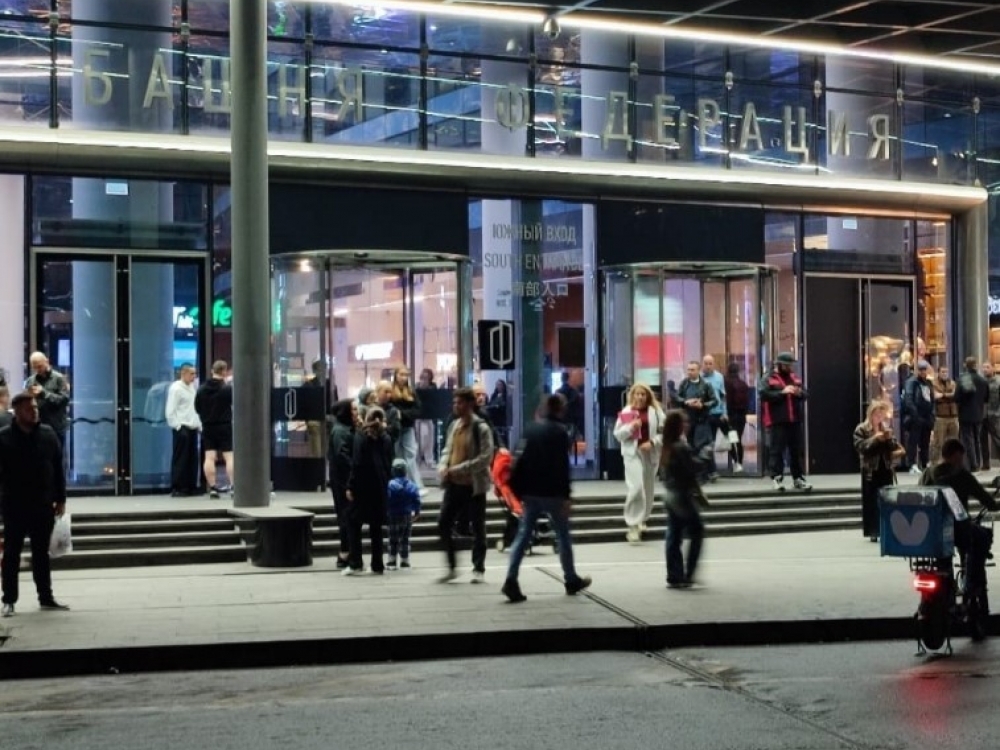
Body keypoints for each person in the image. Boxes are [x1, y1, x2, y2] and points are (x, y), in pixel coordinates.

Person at [501, 393, 592, 603]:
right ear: (560, 409)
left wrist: (518, 489)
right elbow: (562, 466)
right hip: (553, 493)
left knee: (523, 535)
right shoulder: (561, 432)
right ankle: (570, 578)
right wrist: (566, 495)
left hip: (531, 491)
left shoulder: (531, 429)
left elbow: (518, 458)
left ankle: (511, 579)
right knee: (563, 535)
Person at [0, 391, 70, 617]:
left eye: (35, 408)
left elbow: (58, 467)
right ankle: (9, 599)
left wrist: (61, 498)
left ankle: (46, 597)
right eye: (29, 409)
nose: (34, 412)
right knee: (12, 553)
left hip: (43, 503)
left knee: (41, 553)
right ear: (17, 412)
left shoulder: (48, 434)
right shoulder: (4, 437)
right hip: (14, 504)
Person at [920, 438, 1000, 601]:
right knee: (982, 536)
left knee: (943, 556)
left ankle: (947, 584)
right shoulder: (962, 475)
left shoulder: (928, 473)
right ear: (956, 456)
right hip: (958, 529)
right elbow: (985, 499)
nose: (962, 461)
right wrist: (994, 505)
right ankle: (971, 583)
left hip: (930, 530)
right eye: (961, 457)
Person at [437, 387, 494, 583]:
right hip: (454, 484)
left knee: (478, 526)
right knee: (443, 522)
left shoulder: (481, 428)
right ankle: (452, 566)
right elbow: (448, 449)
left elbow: (485, 458)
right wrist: (443, 465)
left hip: (473, 486)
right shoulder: (454, 425)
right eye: (455, 402)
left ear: (470, 404)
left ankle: (478, 568)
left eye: (460, 402)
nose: (456, 406)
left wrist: (458, 469)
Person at [660, 410, 712, 589]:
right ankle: (688, 573)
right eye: (684, 422)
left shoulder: (667, 446)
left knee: (674, 535)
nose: (687, 425)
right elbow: (692, 467)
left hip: (670, 494)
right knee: (696, 530)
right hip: (681, 495)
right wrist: (705, 455)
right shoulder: (680, 447)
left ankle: (674, 575)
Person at [343, 406, 393, 576]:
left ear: (366, 418)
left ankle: (356, 562)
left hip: (363, 486)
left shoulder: (361, 436)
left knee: (352, 521)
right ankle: (377, 564)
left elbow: (357, 463)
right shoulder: (386, 438)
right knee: (376, 526)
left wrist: (350, 485)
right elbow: (389, 463)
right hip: (380, 486)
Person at [613, 383, 665, 544]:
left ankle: (642, 519)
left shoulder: (656, 412)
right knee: (636, 487)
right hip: (632, 453)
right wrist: (631, 427)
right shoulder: (626, 412)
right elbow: (618, 435)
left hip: (649, 454)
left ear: (648, 396)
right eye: (638, 394)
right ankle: (633, 525)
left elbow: (665, 433)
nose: (640, 397)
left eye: (643, 394)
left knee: (648, 488)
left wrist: (653, 442)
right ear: (633, 395)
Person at [758, 352, 811, 492]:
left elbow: (805, 394)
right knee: (776, 450)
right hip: (777, 420)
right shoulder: (769, 378)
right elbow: (763, 394)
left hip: (794, 420)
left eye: (791, 365)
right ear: (780, 364)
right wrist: (782, 392)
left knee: (796, 450)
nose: (790, 367)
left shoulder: (794, 377)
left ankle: (798, 478)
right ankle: (776, 478)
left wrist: (798, 393)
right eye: (787, 365)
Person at [853, 399, 904, 542]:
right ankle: (873, 530)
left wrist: (888, 439)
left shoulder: (885, 428)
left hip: (885, 467)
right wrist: (875, 439)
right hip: (871, 469)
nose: (879, 418)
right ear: (871, 414)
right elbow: (861, 447)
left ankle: (887, 529)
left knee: (887, 499)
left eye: (881, 415)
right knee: (871, 501)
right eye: (877, 415)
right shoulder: (862, 429)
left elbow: (894, 447)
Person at [195, 360, 234, 498]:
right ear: (224, 371)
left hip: (208, 426)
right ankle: (233, 486)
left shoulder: (201, 389)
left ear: (212, 371)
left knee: (209, 457)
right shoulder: (227, 389)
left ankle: (212, 487)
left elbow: (197, 408)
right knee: (229, 456)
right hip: (224, 425)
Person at [328, 398, 359, 570]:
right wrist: (355, 469)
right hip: (343, 480)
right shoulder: (341, 431)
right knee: (346, 515)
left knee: (348, 515)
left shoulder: (346, 429)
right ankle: (346, 551)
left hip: (344, 479)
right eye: (353, 409)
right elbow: (342, 456)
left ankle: (347, 551)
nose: (356, 413)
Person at [670, 361, 717, 466]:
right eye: (688, 370)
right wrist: (685, 402)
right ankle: (694, 468)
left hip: (702, 420)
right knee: (690, 446)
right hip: (688, 420)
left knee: (701, 445)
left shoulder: (706, 384)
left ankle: (707, 469)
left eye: (692, 370)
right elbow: (677, 398)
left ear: (698, 371)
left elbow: (714, 401)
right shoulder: (684, 383)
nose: (690, 372)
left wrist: (702, 405)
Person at [165, 363, 202, 497]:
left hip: (192, 427)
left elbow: (194, 409)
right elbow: (170, 410)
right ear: (183, 373)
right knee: (181, 458)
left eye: (195, 374)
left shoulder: (192, 388)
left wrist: (199, 425)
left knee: (192, 459)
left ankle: (191, 486)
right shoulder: (176, 389)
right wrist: (177, 426)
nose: (194, 376)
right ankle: (178, 487)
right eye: (191, 374)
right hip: (182, 427)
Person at [389, 365, 425, 494]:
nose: (404, 378)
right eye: (401, 375)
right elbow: (389, 409)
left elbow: (418, 410)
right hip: (394, 429)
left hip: (407, 427)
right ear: (396, 376)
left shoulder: (411, 391)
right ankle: (398, 485)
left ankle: (416, 486)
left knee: (410, 456)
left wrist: (402, 414)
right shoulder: (390, 391)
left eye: (406, 375)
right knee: (397, 457)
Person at [25, 351, 70, 450]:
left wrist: (44, 393)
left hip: (56, 427)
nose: (38, 370)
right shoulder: (30, 381)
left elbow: (63, 400)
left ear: (47, 361)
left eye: (40, 366)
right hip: (37, 427)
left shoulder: (59, 378)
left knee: (56, 456)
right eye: (34, 368)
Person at [386, 458, 421, 571]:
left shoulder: (389, 485)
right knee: (405, 539)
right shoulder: (412, 485)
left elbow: (386, 499)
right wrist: (417, 511)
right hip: (407, 515)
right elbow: (417, 499)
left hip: (392, 515)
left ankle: (392, 560)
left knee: (393, 538)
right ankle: (405, 561)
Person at [901, 360, 935, 474]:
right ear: (916, 370)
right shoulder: (911, 382)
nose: (923, 372)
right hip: (916, 416)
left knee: (925, 441)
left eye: (924, 369)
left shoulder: (928, 383)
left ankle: (925, 462)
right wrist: (915, 415)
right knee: (913, 441)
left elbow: (932, 399)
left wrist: (932, 414)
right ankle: (912, 464)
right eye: (921, 370)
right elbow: (909, 399)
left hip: (926, 416)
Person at [955, 356, 988, 471]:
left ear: (965, 365)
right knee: (977, 439)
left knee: (967, 439)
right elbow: (986, 398)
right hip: (979, 413)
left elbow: (956, 397)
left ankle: (972, 464)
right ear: (976, 365)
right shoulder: (983, 380)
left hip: (965, 414)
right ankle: (978, 462)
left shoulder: (962, 379)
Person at [701, 355, 727, 482]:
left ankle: (710, 471)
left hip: (717, 413)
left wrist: (724, 412)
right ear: (702, 364)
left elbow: (722, 396)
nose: (708, 366)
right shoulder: (699, 378)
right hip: (704, 414)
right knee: (707, 442)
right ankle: (711, 471)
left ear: (714, 364)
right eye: (706, 363)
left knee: (713, 442)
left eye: (710, 363)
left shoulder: (719, 377)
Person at [724, 362, 751, 474]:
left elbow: (728, 401)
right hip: (741, 416)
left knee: (731, 439)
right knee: (738, 439)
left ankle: (736, 462)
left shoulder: (727, 383)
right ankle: (739, 462)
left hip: (731, 415)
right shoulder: (743, 384)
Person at [931, 365, 959, 464]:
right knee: (938, 442)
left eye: (946, 372)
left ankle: (953, 462)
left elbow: (955, 395)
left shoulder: (952, 383)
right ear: (938, 373)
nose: (945, 374)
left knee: (954, 442)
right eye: (942, 372)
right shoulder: (934, 383)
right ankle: (936, 463)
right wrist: (948, 395)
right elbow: (935, 396)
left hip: (953, 416)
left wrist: (943, 395)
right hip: (940, 417)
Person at [415, 368, 437, 468]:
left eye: (426, 377)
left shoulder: (433, 387)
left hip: (429, 416)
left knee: (429, 439)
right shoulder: (416, 386)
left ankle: (429, 459)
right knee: (418, 439)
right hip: (419, 416)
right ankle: (418, 459)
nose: (424, 379)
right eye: (423, 376)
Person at [374, 380, 402, 447]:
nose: (389, 395)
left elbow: (396, 432)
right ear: (377, 392)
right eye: (386, 392)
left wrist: (385, 428)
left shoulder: (393, 411)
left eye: (390, 392)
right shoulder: (369, 408)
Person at [983, 362, 1000, 471]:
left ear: (993, 368)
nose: (985, 369)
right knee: (982, 440)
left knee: (997, 439)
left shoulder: (998, 382)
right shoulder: (981, 382)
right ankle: (985, 463)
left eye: (987, 367)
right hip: (982, 415)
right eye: (984, 367)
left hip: (995, 414)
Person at [486, 379, 510, 446]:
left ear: (503, 386)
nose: (498, 386)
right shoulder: (494, 395)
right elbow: (490, 405)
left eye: (500, 385)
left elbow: (505, 406)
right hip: (494, 419)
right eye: (497, 385)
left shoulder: (506, 396)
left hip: (502, 420)